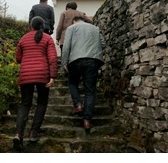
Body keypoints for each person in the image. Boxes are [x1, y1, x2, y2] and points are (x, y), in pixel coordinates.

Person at [13, 16, 58, 150]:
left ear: (31, 26)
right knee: (42, 102)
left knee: (25, 104)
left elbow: (18, 58)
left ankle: (18, 134)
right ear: (42, 26)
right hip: (42, 74)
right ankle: (34, 132)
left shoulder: (23, 38)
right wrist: (53, 76)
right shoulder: (47, 38)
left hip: (25, 75)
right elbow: (52, 58)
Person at [61, 15, 104, 130]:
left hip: (75, 60)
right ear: (83, 20)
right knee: (90, 91)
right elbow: (103, 44)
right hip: (92, 60)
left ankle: (78, 105)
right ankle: (87, 120)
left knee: (73, 83)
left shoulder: (71, 28)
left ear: (74, 21)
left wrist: (64, 63)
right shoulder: (95, 28)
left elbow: (66, 47)